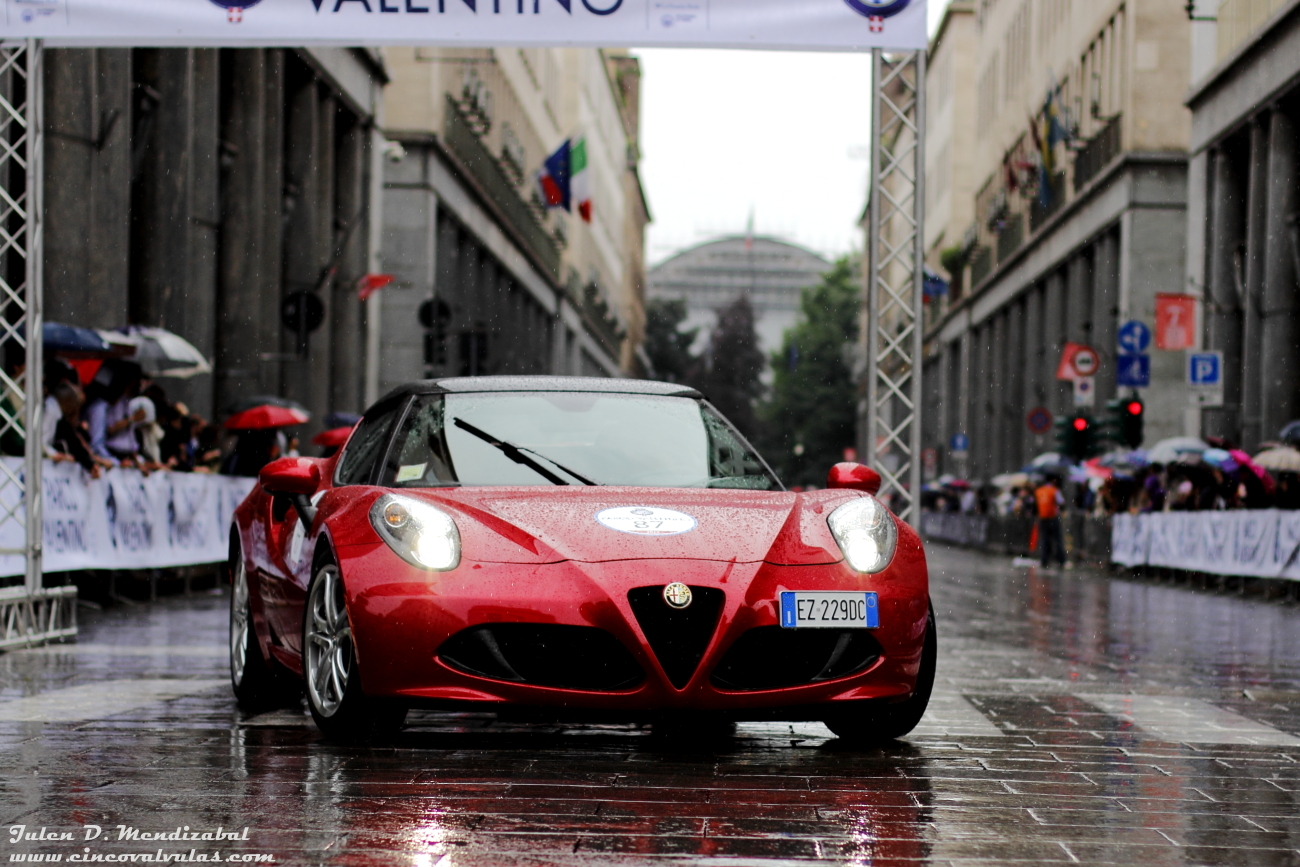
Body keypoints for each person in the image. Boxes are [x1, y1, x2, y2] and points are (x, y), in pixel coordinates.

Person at [85, 361, 146, 466]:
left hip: (120, 457)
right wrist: (116, 463)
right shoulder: (99, 408)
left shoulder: (127, 402)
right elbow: (97, 443)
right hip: (109, 455)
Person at [1034, 475, 1067, 569]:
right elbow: (1061, 502)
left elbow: (1036, 505)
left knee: (1044, 540)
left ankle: (1044, 560)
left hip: (1042, 518)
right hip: (1053, 517)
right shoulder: (1054, 490)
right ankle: (1061, 560)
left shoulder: (1039, 491)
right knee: (1057, 540)